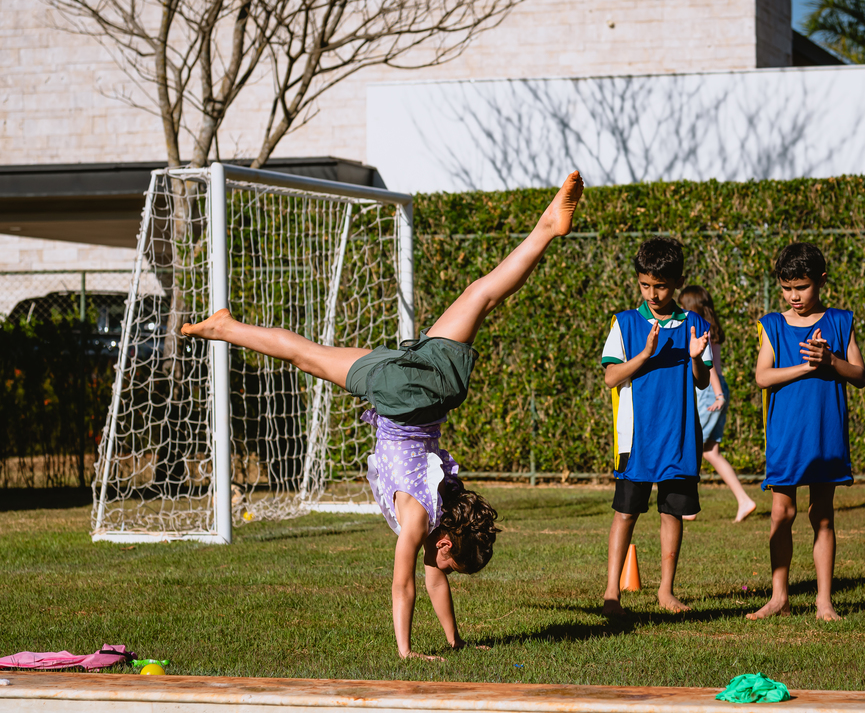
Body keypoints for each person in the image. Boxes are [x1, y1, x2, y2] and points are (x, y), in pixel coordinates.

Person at [182, 171, 585, 659]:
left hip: (432, 391)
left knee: (482, 294)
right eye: (451, 563)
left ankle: (545, 228)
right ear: (447, 543)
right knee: (305, 355)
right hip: (403, 397)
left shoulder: (445, 506)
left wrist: (457, 642)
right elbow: (403, 586)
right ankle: (228, 327)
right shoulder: (418, 519)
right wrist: (405, 652)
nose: (442, 567)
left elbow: (433, 583)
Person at [746, 243, 865, 622]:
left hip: (824, 433)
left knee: (823, 515)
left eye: (801, 287)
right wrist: (805, 367)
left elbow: (860, 375)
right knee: (781, 513)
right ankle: (779, 597)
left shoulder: (840, 321)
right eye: (786, 288)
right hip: (786, 436)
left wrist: (831, 361)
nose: (793, 296)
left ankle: (824, 601)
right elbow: (762, 376)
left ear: (821, 281)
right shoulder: (773, 324)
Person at [600, 237, 712, 615]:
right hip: (638, 438)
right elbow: (611, 377)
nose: (652, 293)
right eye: (645, 284)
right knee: (626, 512)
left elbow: (700, 380)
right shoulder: (625, 323)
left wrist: (697, 358)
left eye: (661, 286)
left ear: (678, 282)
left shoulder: (694, 324)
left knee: (672, 512)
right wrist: (645, 355)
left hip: (678, 437)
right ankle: (611, 593)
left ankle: (666, 590)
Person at [677, 285, 756, 522]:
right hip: (717, 389)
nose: (679, 310)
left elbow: (708, 368)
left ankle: (688, 507)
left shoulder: (700, 330)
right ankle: (744, 500)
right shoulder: (711, 328)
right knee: (710, 451)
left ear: (691, 307)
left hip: (711, 391)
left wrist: (718, 395)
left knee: (689, 446)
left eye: (682, 305)